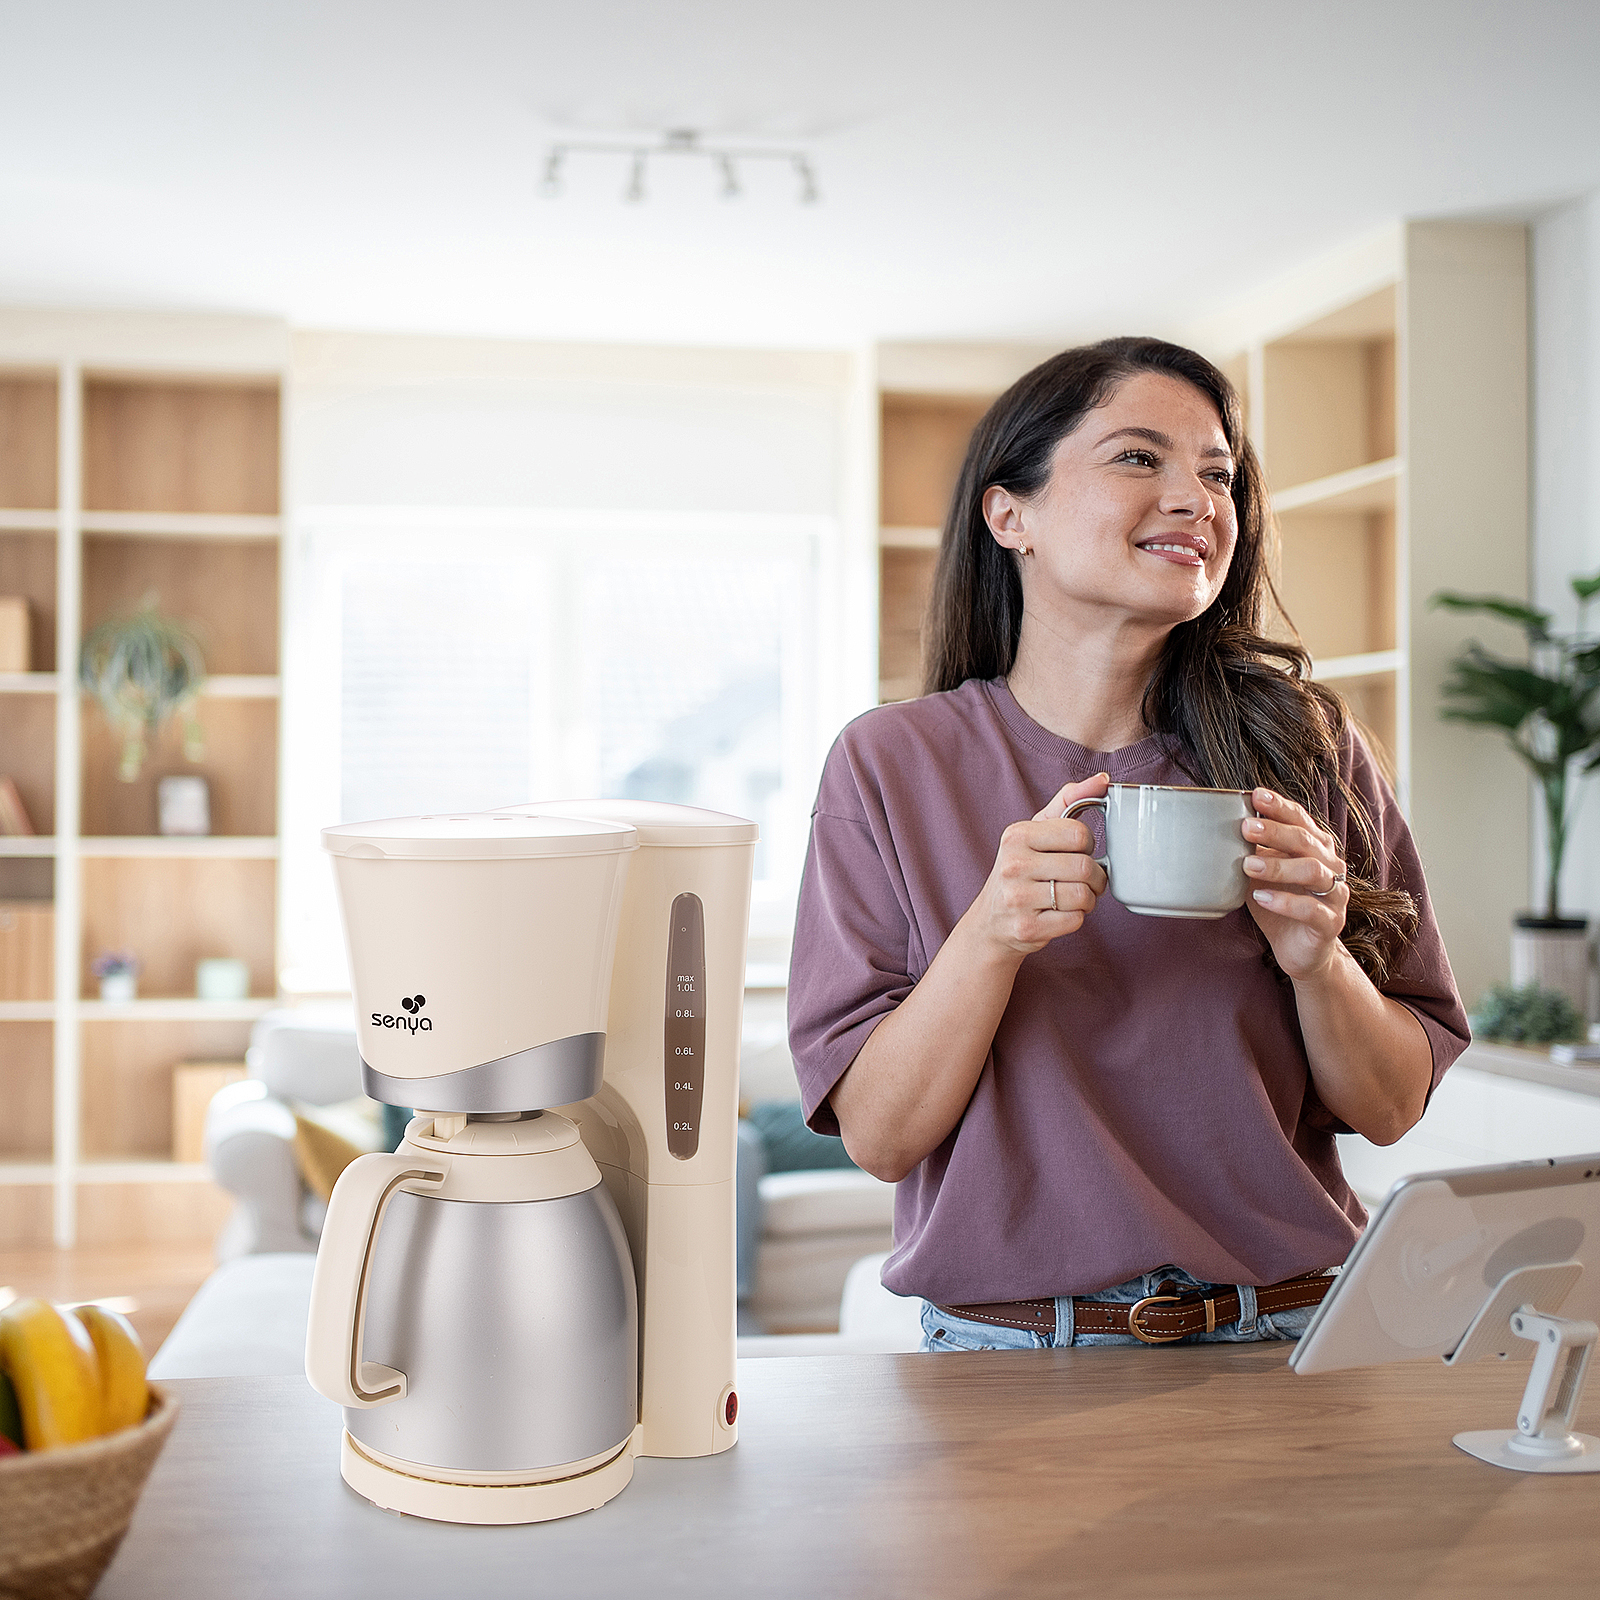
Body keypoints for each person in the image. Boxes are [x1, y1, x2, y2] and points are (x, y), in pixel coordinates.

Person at [787, 338, 1470, 1352]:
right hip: (1007, 1355)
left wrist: (1318, 961)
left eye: (1218, 474)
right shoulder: (889, 764)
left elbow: (1390, 1106)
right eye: (1139, 457)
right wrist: (990, 937)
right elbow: (882, 1139)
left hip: (1287, 1333)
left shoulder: (1308, 750)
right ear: (1008, 515)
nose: (1196, 499)